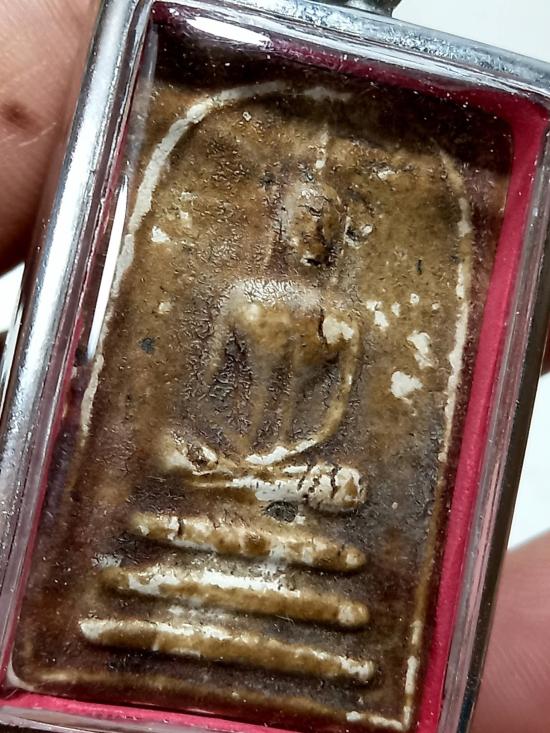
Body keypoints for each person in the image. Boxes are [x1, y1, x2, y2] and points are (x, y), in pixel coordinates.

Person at [0, 3, 548, 731]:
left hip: (296, 479)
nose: (313, 232)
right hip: (220, 462)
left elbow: (331, 415)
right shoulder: (242, 297)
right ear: (284, 222)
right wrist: (224, 457)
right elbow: (207, 393)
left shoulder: (342, 318)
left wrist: (289, 465)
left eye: (326, 222)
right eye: (303, 217)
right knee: (170, 461)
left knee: (337, 499)